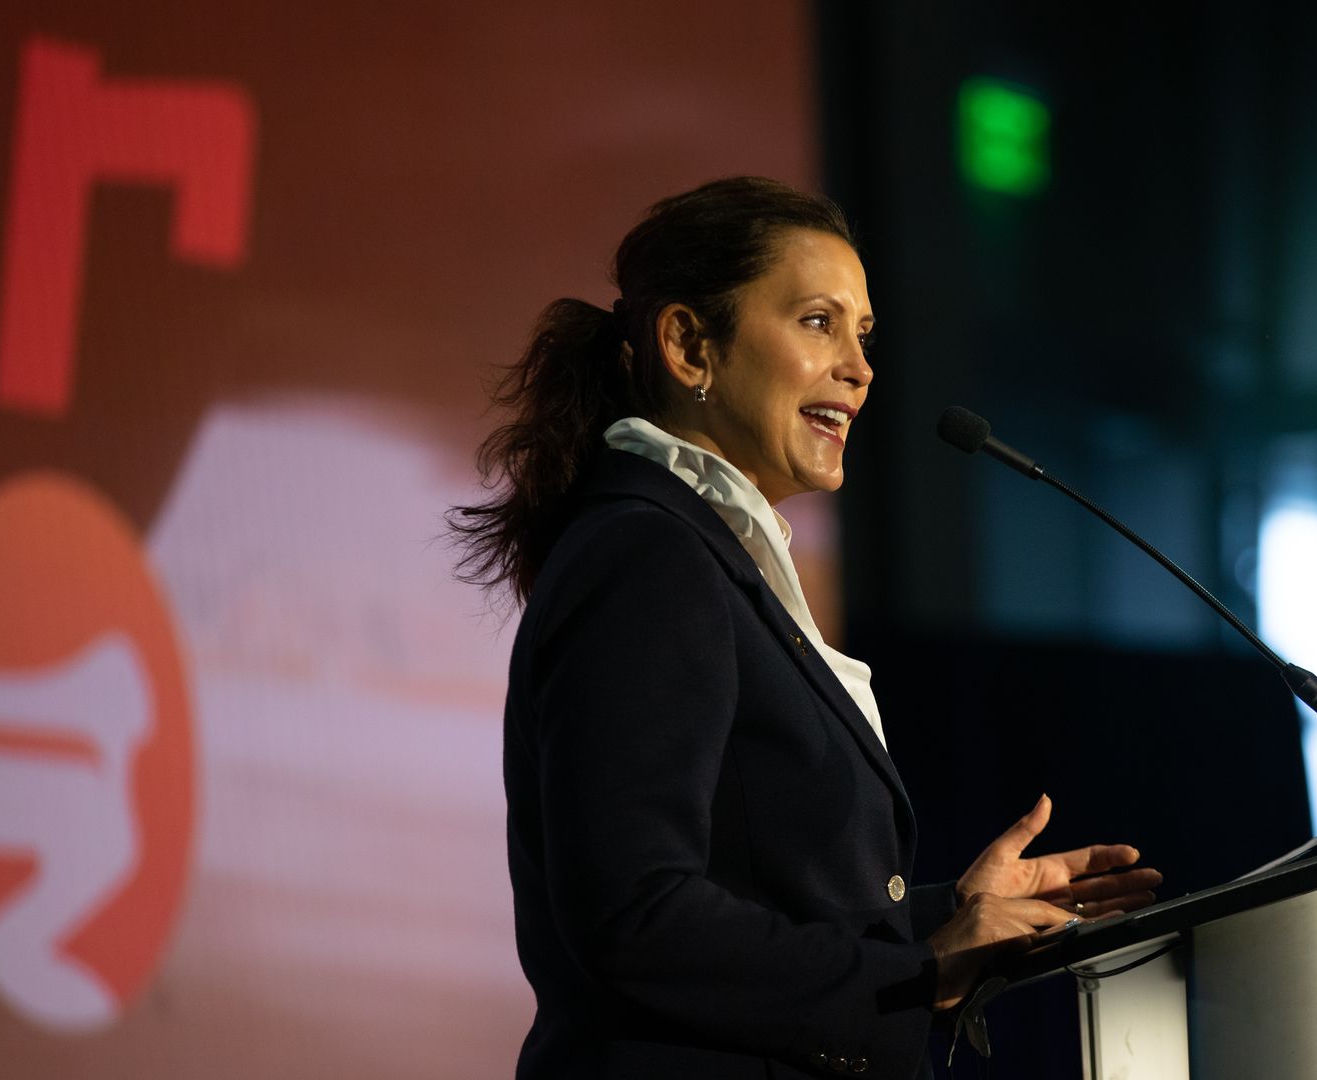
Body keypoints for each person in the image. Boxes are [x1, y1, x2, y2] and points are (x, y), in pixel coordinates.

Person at [452, 176, 1160, 1079]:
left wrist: (940, 918)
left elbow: (752, 892)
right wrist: (923, 972)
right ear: (687, 345)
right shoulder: (649, 558)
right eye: (819, 323)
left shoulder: (702, 554)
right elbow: (635, 916)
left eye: (863, 335)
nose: (861, 369)